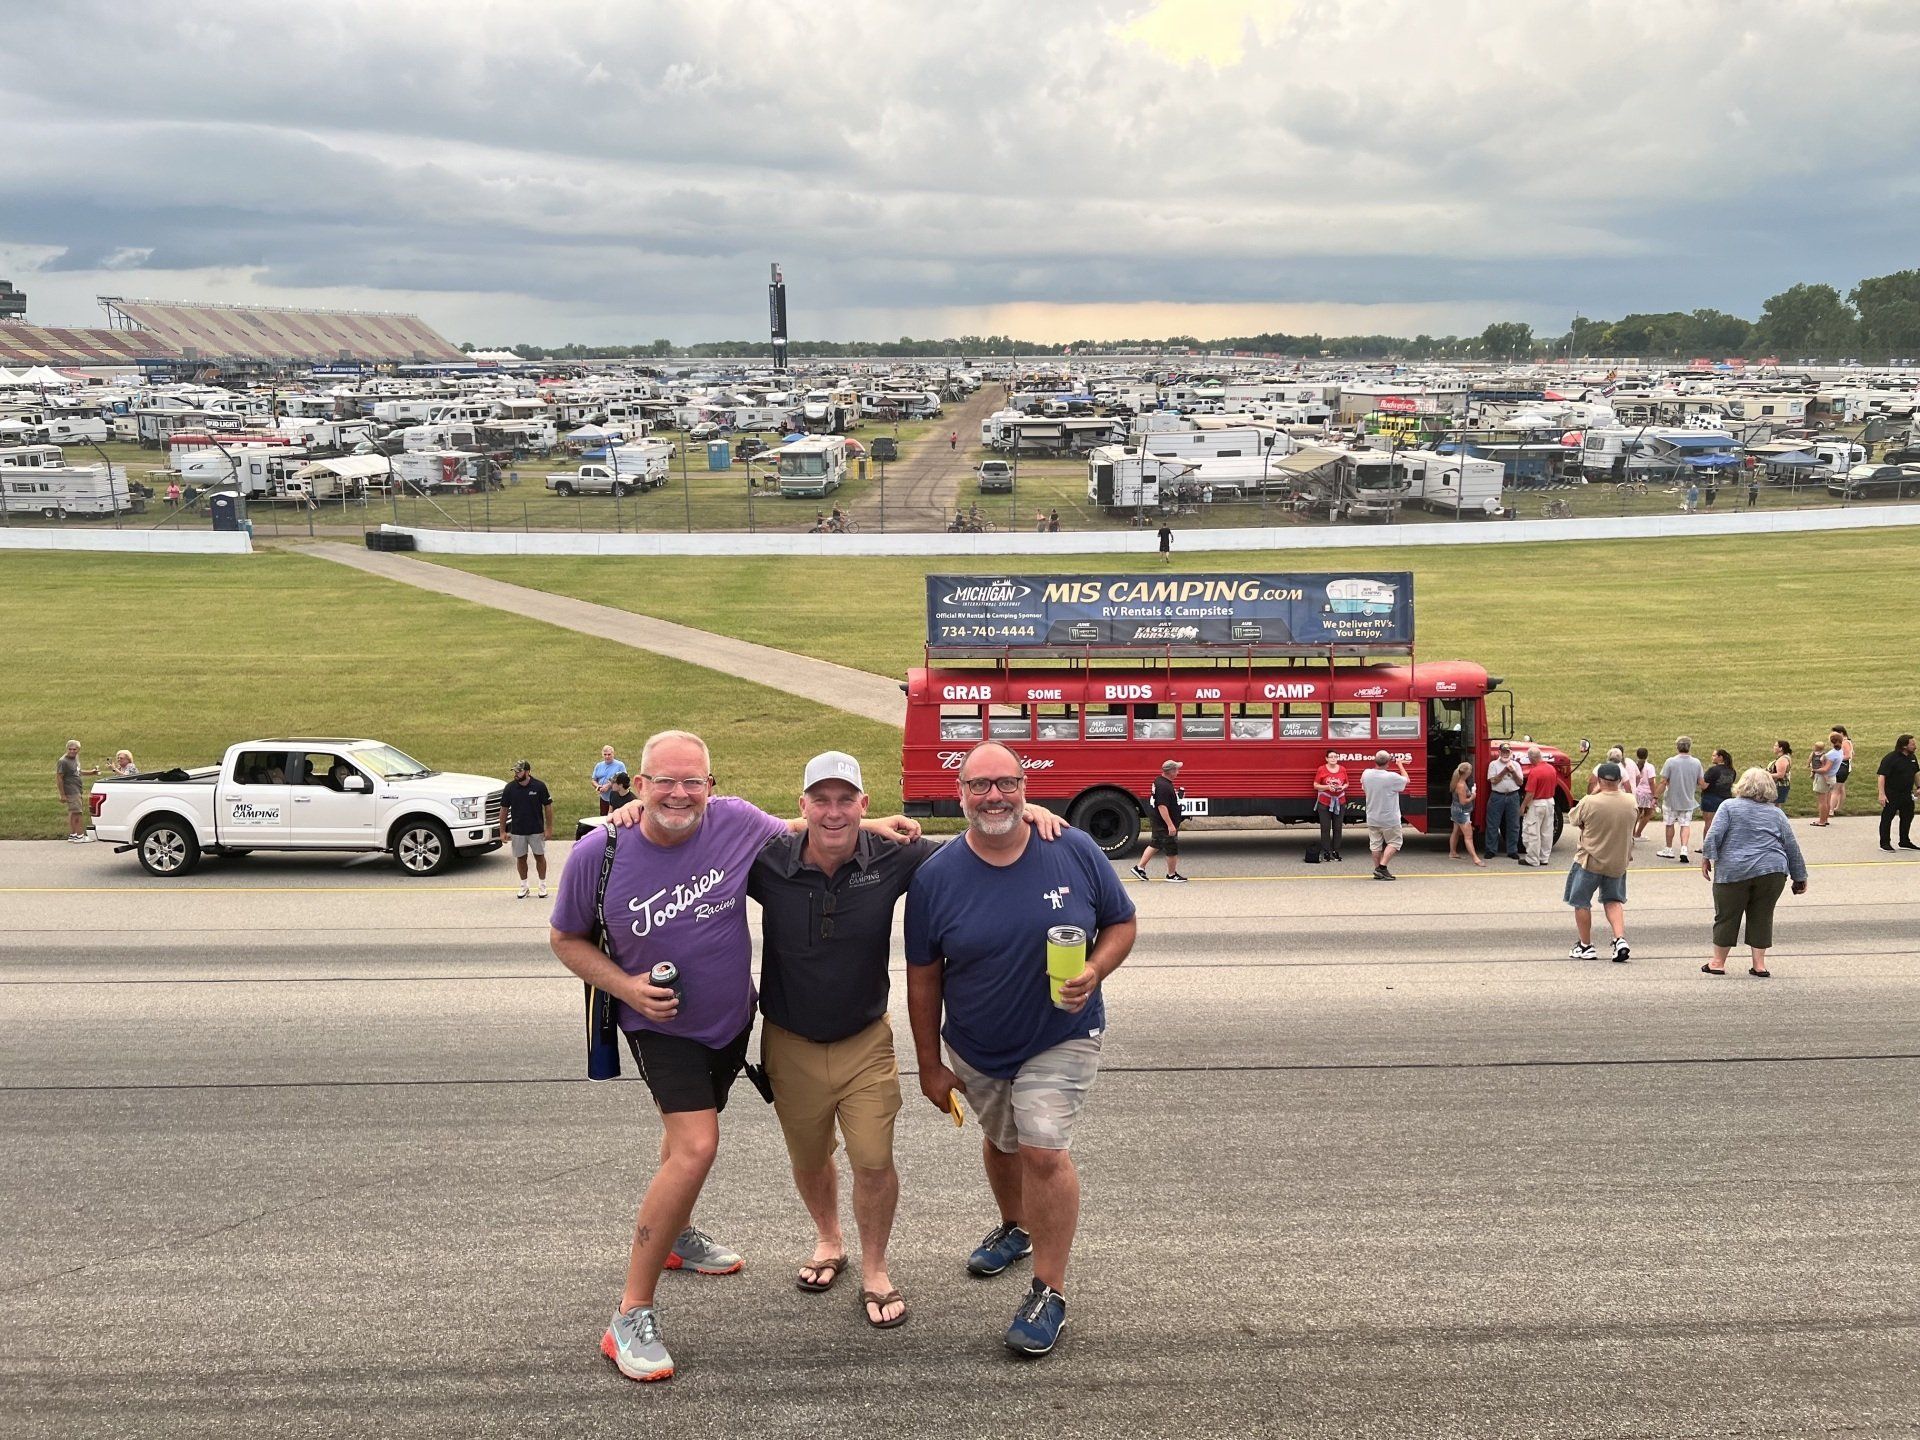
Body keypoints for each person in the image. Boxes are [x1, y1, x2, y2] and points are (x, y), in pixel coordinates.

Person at [554, 731, 922, 1383]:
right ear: (638, 785)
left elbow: (804, 826)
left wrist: (873, 823)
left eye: (692, 781)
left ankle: (677, 1235)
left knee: (681, 1141)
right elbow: (565, 938)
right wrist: (626, 988)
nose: (678, 793)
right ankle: (630, 1314)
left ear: (711, 787)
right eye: (663, 781)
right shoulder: (599, 852)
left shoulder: (733, 822)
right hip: (660, 1023)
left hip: (730, 1021)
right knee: (697, 1146)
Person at [748, 752, 1062, 1331]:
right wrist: (629, 811)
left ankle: (874, 1269)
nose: (834, 812)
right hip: (788, 1041)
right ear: (802, 805)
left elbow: (980, 840)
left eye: (848, 801)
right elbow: (702, 832)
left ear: (864, 803)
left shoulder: (895, 856)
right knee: (810, 1157)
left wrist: (1027, 811)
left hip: (866, 1040)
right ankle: (828, 1239)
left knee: (872, 1159)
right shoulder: (764, 859)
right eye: (822, 800)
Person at [905, 741, 1138, 1357]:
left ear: (1024, 787)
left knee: (1041, 1148)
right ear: (959, 795)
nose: (994, 797)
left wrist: (1096, 969)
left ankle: (1048, 1292)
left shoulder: (1072, 848)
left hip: (1062, 1032)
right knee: (1003, 1139)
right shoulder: (935, 877)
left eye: (1006, 783)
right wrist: (928, 1064)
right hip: (977, 1042)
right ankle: (1016, 1227)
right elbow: (923, 976)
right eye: (979, 786)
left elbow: (1122, 922)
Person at [1700, 768, 1809, 977]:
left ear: (1742, 785)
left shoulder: (1729, 806)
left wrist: (1707, 857)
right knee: (1763, 915)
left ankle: (1718, 962)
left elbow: (1714, 835)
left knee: (1726, 915)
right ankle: (1759, 965)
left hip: (1734, 869)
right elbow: (1791, 845)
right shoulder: (1776, 813)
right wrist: (1799, 876)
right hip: (1772, 871)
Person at [1563, 761, 1636, 962]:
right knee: (1613, 900)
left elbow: (1574, 819)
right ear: (1619, 781)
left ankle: (1585, 945)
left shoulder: (1590, 801)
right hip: (1617, 861)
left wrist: (1595, 793)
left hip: (1590, 860)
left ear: (1600, 781)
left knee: (1581, 902)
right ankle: (1619, 939)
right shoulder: (1630, 801)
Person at [500, 760, 554, 899]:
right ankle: (524, 886)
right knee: (521, 858)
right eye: (515, 771)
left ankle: (542, 885)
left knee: (539, 857)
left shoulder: (539, 786)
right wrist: (502, 831)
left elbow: (548, 807)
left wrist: (548, 828)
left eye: (519, 771)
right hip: (518, 830)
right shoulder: (510, 788)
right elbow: (504, 809)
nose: (516, 774)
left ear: (528, 771)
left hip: (536, 830)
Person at [1130, 759, 1187, 882]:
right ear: (1171, 771)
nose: (1178, 772)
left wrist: (1177, 797)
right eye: (1176, 770)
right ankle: (1171, 875)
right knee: (1171, 847)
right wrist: (1170, 825)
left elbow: (1164, 801)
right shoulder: (1164, 786)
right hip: (1164, 823)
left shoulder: (1160, 781)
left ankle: (1139, 868)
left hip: (1158, 821)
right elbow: (1162, 806)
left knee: (1156, 844)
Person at [1362, 750, 1409, 881]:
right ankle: (1382, 868)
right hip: (1389, 818)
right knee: (1395, 842)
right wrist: (1400, 765)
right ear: (1388, 763)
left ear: (1375, 760)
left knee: (1375, 845)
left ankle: (1377, 870)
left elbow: (1364, 788)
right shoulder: (1391, 777)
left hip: (1372, 816)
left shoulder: (1366, 774)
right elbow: (1406, 780)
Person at [1656, 736, 1703, 863]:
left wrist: (1655, 796)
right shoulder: (1696, 763)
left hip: (1671, 800)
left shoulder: (1670, 762)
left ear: (1677, 747)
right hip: (1688, 800)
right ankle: (1684, 848)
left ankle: (1669, 848)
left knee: (1669, 823)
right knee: (1685, 824)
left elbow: (1663, 781)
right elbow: (1701, 782)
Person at [1519, 745, 1559, 867]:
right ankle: (1544, 858)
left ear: (1531, 758)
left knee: (1532, 832)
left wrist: (1523, 806)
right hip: (1550, 802)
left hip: (1537, 804)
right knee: (1547, 831)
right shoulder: (1551, 769)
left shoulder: (1534, 772)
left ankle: (1532, 859)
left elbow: (1530, 793)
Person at [1484, 742, 1524, 860]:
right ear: (1499, 752)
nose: (1505, 754)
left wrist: (1513, 772)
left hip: (1513, 796)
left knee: (1514, 824)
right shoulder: (1493, 764)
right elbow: (1493, 781)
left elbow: (1520, 782)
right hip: (1497, 796)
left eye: (1507, 752)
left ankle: (1512, 850)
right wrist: (1505, 771)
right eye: (1503, 752)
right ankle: (1491, 850)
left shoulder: (1516, 765)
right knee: (1493, 824)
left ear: (1511, 752)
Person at [1879, 733, 1919, 851]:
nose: (1915, 746)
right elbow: (1882, 776)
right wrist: (1882, 794)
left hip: (1907, 793)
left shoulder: (1912, 758)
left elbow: (1915, 773)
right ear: (1904, 746)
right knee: (1887, 818)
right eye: (1912, 744)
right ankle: (1885, 843)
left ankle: (1904, 841)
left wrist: (1918, 786)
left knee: (1907, 816)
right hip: (1892, 793)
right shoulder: (1890, 758)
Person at [56, 740, 98, 842]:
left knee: (73, 812)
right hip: (71, 790)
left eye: (74, 749)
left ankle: (73, 835)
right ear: (67, 749)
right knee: (78, 813)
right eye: (70, 749)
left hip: (77, 788)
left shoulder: (75, 758)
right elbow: (59, 778)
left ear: (78, 750)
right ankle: (80, 836)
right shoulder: (63, 761)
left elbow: (77, 772)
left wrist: (91, 772)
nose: (72, 751)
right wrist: (62, 794)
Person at [1312, 749, 1349, 861]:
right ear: (1326, 759)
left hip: (1340, 802)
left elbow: (1347, 783)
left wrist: (1342, 787)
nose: (1333, 759)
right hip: (1324, 802)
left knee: (1338, 828)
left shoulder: (1342, 769)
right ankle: (1326, 852)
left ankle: (1336, 851)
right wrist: (1327, 787)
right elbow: (1315, 785)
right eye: (1331, 757)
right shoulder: (1321, 769)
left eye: (1335, 757)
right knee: (1325, 828)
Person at [1447, 761, 1483, 866]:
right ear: (1468, 772)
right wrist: (1472, 797)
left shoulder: (1457, 781)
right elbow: (1463, 802)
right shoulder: (1461, 785)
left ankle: (1452, 852)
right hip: (1462, 812)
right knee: (1468, 837)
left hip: (1455, 810)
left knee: (1456, 831)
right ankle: (1476, 859)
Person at [1698, 748, 1736, 837]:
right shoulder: (1732, 771)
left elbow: (1704, 786)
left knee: (1709, 824)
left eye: (1714, 755)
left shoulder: (1713, 770)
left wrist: (1699, 780)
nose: (1712, 757)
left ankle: (1707, 844)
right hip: (1726, 799)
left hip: (1710, 799)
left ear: (1720, 757)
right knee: (1723, 824)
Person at [1627, 745, 1657, 843]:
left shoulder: (1634, 765)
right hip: (1647, 793)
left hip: (1637, 792)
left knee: (1637, 813)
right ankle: (1638, 834)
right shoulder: (1650, 767)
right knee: (1648, 813)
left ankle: (1631, 834)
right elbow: (1651, 782)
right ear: (1647, 755)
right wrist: (1655, 795)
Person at [1810, 736, 1838, 826]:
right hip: (1832, 776)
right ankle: (1825, 819)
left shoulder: (1823, 755)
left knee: (1822, 801)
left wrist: (1813, 770)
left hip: (1821, 775)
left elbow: (1823, 767)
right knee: (1827, 800)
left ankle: (1821, 821)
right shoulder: (1834, 753)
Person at [592, 744, 626, 816]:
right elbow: (593, 780)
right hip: (604, 798)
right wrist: (598, 787)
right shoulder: (599, 766)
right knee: (603, 816)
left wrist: (609, 785)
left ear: (613, 754)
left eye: (609, 754)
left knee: (615, 816)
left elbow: (624, 779)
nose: (607, 756)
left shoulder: (620, 765)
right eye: (605, 754)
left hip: (617, 797)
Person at [1828, 725, 1855, 816]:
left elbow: (1848, 756)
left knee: (1835, 790)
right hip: (1845, 768)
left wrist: (1835, 758)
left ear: (1841, 733)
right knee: (1841, 788)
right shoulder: (1847, 742)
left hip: (1842, 768)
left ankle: (1831, 810)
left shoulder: (1844, 742)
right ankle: (1838, 807)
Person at [1766, 739, 1794, 811]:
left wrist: (1765, 774)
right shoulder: (1784, 758)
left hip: (1778, 786)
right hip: (1780, 785)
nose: (1774, 747)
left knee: (1773, 806)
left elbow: (1780, 775)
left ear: (1781, 748)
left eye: (1776, 746)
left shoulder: (1782, 760)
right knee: (1776, 806)